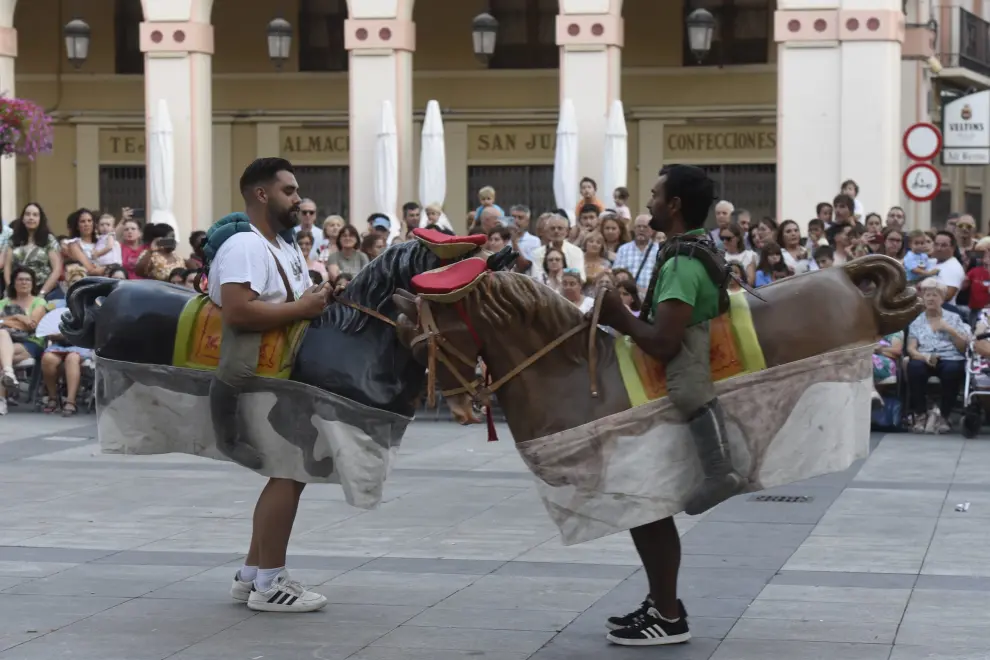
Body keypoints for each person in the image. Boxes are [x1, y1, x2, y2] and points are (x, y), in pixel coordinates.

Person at [593, 165, 743, 646]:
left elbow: (663, 341)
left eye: (656, 195)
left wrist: (618, 314)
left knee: (646, 503)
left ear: (674, 204)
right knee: (644, 507)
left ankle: (668, 613)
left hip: (665, 390)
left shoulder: (681, 263)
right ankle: (663, 605)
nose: (650, 202)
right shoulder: (692, 248)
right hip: (654, 387)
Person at [210, 157, 332, 612]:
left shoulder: (283, 245)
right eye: (289, 190)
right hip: (261, 378)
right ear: (262, 194)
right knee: (290, 471)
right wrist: (303, 309)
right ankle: (269, 583)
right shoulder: (246, 246)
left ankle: (250, 574)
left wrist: (316, 298)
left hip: (286, 373)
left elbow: (294, 303)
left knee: (291, 475)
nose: (298, 200)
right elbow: (238, 311)